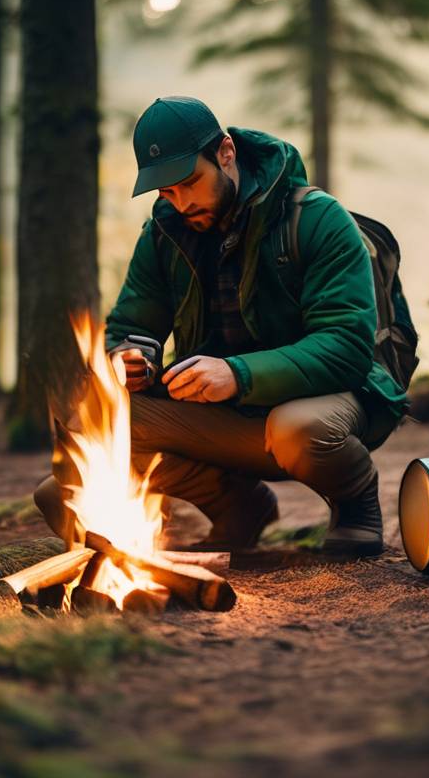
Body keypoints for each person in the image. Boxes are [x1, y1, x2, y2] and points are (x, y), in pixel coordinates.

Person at [34, 96, 408, 556]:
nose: (182, 201)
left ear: (225, 153)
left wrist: (238, 375)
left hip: (318, 408)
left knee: (298, 429)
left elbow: (346, 348)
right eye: (167, 191)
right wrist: (130, 360)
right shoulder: (165, 234)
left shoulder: (316, 219)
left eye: (191, 182)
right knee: (77, 455)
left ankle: (355, 501)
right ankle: (238, 507)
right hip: (227, 419)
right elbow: (131, 327)